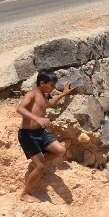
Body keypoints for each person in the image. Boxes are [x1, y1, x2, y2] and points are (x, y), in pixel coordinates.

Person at [17, 70, 76, 203]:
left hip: (40, 133)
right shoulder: (31, 94)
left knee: (60, 150)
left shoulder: (44, 95)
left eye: (54, 85)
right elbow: (20, 109)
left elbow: (49, 104)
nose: (53, 87)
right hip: (28, 135)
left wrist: (63, 94)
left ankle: (36, 163)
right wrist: (37, 118)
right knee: (41, 167)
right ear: (42, 83)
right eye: (51, 85)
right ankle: (25, 194)